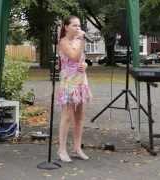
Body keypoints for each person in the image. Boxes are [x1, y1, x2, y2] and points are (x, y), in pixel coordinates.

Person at [57, 15, 92, 162]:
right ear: (66, 27)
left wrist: (86, 65)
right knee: (67, 116)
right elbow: (74, 57)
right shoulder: (63, 42)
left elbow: (82, 61)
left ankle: (77, 148)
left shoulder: (78, 41)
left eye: (79, 26)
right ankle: (62, 149)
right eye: (74, 26)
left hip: (81, 82)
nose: (78, 28)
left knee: (79, 117)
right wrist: (83, 40)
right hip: (68, 82)